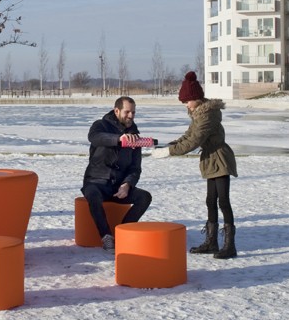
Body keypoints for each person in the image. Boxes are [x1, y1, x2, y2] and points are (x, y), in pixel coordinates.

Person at [151, 71, 238, 259]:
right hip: (209, 159)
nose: (186, 105)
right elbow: (188, 135)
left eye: (187, 101)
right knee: (210, 200)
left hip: (220, 158)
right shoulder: (199, 114)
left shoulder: (208, 115)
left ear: (196, 98)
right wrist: (170, 145)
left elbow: (194, 141)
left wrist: (170, 152)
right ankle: (212, 242)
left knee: (223, 201)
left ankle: (229, 245)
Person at [81, 96, 153, 251]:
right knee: (93, 195)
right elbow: (95, 137)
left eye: (133, 112)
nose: (131, 116)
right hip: (96, 182)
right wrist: (119, 139)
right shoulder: (100, 125)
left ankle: (122, 233)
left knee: (144, 197)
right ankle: (106, 236)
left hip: (118, 188)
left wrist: (127, 184)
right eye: (127, 112)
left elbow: (135, 168)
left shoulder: (135, 135)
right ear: (116, 111)